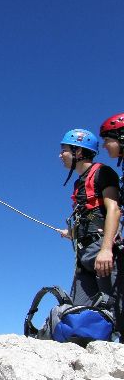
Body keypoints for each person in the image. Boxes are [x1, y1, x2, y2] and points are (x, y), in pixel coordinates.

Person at [59, 128, 123, 341]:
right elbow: (91, 214)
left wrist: (106, 250)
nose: (61, 155)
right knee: (81, 311)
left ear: (78, 151)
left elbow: (113, 209)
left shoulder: (103, 172)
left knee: (116, 309)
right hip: (84, 252)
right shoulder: (80, 182)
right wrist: (73, 233)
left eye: (64, 150)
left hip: (101, 249)